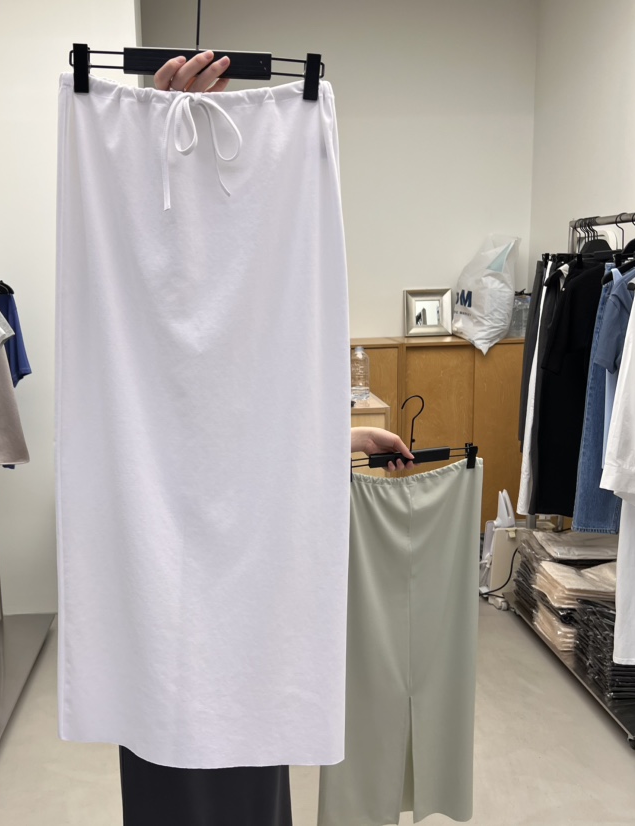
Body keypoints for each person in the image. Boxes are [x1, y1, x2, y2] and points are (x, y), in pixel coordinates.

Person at [117, 53, 415, 826]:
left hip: (248, 570)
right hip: (169, 558)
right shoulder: (146, 295)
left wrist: (343, 438)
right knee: (176, 739)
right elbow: (195, 414)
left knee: (246, 735)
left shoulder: (266, 281)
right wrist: (152, 138)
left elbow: (252, 418)